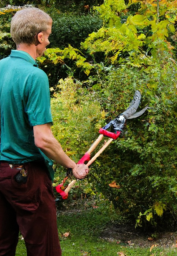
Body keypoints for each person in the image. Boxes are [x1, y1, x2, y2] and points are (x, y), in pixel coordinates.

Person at [0, 7, 89, 256]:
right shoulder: (34, 75)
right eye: (48, 35)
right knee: (44, 249)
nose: (49, 41)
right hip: (25, 176)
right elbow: (43, 139)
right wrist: (72, 165)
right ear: (39, 37)